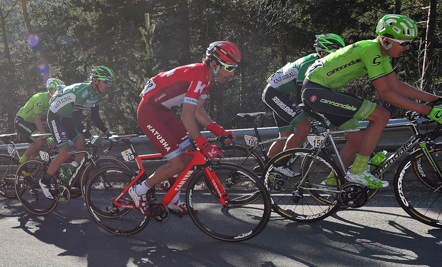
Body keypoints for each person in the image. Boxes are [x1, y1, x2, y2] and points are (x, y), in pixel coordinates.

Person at [302, 14, 442, 189]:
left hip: (321, 91)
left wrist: (435, 99)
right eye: (404, 43)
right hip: (316, 92)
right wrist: (427, 110)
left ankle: (332, 183)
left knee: (357, 138)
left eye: (409, 43)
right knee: (381, 115)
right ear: (386, 40)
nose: (407, 48)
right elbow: (385, 93)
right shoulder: (370, 49)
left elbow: (396, 85)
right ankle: (358, 171)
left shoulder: (380, 53)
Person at [129, 41, 241, 216]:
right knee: (177, 163)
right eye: (229, 67)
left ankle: (173, 198)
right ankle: (139, 190)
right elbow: (186, 116)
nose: (232, 73)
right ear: (214, 64)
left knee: (188, 156)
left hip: (164, 111)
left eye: (234, 68)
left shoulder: (208, 79)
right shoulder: (199, 76)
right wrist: (203, 144)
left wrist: (220, 131)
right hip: (149, 113)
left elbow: (198, 111)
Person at [262, 34, 345, 173]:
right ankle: (280, 165)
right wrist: (324, 115)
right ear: (323, 53)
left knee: (285, 135)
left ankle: (265, 167)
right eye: (335, 54)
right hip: (274, 94)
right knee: (304, 128)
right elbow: (303, 98)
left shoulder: (321, 63)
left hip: (280, 94)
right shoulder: (309, 63)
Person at [39, 67, 115, 199]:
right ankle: (44, 181)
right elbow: (76, 120)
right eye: (106, 81)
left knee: (81, 145)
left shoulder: (97, 95)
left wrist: (108, 132)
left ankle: (69, 174)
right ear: (95, 81)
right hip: (56, 117)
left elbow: (95, 118)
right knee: (64, 152)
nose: (108, 84)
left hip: (67, 118)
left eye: (109, 82)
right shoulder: (84, 92)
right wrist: (90, 137)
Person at [14, 77, 64, 163]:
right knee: (40, 142)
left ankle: (31, 175)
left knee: (36, 151)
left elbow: (55, 119)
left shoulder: (53, 102)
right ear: (51, 91)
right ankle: (20, 163)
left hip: (31, 124)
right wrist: (46, 137)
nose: (60, 94)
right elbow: (38, 120)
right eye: (58, 92)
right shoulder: (40, 99)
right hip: (21, 121)